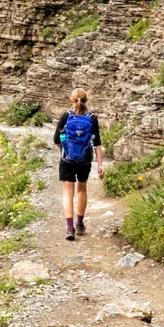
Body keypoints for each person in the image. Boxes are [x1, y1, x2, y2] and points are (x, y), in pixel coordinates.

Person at [53, 87, 103, 241]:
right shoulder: (92, 118)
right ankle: (80, 224)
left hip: (67, 159)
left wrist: (65, 149)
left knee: (68, 193)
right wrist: (100, 165)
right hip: (85, 159)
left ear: (71, 100)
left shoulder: (65, 116)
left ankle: (70, 228)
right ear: (87, 100)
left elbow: (56, 138)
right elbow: (97, 143)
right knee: (82, 189)